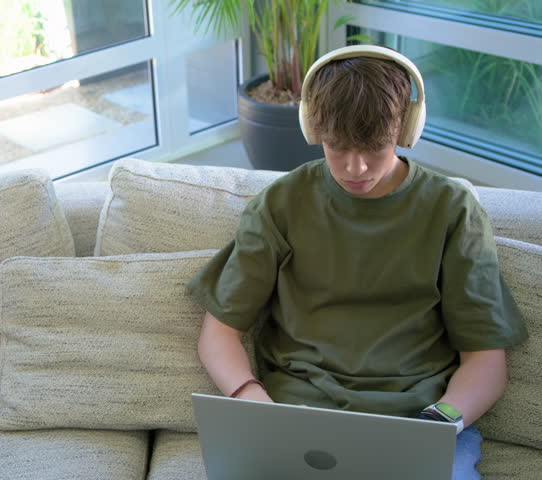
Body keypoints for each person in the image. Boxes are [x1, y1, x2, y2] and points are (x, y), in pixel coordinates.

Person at [185, 45, 528, 480]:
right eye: (337, 146)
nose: (355, 167)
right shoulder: (283, 203)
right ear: (313, 127)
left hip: (419, 420)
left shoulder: (453, 210)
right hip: (297, 413)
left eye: (375, 148)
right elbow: (219, 333)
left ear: (406, 128)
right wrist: (251, 399)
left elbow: (486, 360)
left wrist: (439, 422)